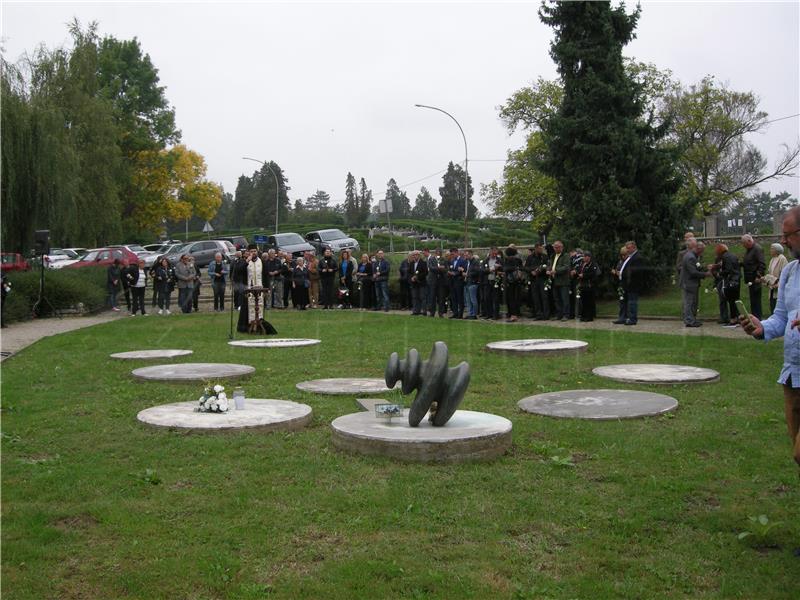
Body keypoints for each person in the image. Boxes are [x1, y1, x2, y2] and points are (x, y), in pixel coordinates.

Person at [739, 206, 800, 468]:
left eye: (788, 234)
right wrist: (761, 327)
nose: (783, 241)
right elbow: (781, 318)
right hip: (793, 376)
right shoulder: (791, 272)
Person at [679, 238, 709, 327]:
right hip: (689, 283)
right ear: (698, 249)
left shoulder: (692, 256)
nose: (702, 253)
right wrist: (706, 274)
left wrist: (706, 268)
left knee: (692, 302)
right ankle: (689, 320)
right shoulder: (690, 257)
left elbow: (697, 268)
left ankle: (692, 319)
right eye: (702, 251)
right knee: (689, 302)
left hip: (691, 283)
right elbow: (693, 272)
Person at [615, 240, 645, 326]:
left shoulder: (637, 257)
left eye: (628, 248)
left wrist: (622, 273)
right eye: (626, 248)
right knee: (627, 302)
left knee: (632, 302)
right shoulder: (630, 257)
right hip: (627, 284)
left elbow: (635, 271)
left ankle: (632, 319)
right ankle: (625, 317)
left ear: (634, 247)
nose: (627, 250)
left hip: (633, 284)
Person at [711, 243, 740, 327]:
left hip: (730, 281)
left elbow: (728, 270)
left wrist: (719, 273)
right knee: (735, 300)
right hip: (736, 280)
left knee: (731, 300)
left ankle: (733, 319)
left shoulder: (725, 257)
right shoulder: (732, 255)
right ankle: (737, 318)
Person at [741, 234, 766, 319]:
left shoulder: (757, 249)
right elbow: (748, 262)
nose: (743, 245)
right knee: (753, 300)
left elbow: (762, 264)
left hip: (755, 279)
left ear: (749, 241)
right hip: (750, 279)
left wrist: (758, 276)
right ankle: (755, 318)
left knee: (756, 300)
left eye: (744, 243)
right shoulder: (749, 250)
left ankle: (758, 319)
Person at [547, 240, 571, 321]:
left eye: (557, 247)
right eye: (554, 247)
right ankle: (559, 314)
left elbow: (566, 267)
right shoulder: (553, 256)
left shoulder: (565, 255)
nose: (556, 249)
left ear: (562, 247)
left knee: (564, 298)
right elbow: (550, 265)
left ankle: (566, 315)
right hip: (554, 280)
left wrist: (556, 271)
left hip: (563, 281)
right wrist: (548, 270)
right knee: (556, 299)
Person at [576, 251, 600, 321]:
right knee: (583, 301)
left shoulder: (593, 264)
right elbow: (580, 271)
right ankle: (583, 315)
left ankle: (589, 316)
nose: (584, 258)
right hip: (583, 285)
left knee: (589, 301)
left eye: (585, 256)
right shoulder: (583, 264)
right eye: (583, 256)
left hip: (589, 285)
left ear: (588, 257)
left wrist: (584, 275)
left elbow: (593, 274)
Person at [503, 244, 524, 322]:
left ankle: (513, 315)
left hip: (510, 281)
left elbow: (506, 269)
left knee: (511, 298)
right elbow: (522, 268)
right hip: (517, 280)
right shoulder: (518, 260)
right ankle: (515, 314)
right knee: (516, 298)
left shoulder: (508, 260)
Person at [766, 242, 789, 314]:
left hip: (778, 286)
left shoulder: (782, 259)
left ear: (777, 250)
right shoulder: (772, 259)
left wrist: (778, 283)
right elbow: (770, 272)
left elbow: (785, 273)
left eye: (772, 249)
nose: (770, 250)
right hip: (772, 286)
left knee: (777, 305)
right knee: (772, 304)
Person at [482, 247, 502, 320]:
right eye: (493, 253)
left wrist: (499, 269)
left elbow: (503, 269)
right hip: (487, 282)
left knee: (495, 299)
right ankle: (488, 314)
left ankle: (495, 315)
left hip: (496, 281)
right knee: (487, 298)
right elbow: (482, 270)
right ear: (490, 252)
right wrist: (490, 269)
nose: (494, 254)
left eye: (495, 253)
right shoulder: (486, 260)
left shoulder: (499, 260)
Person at [408, 250, 428, 315]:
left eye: (415, 255)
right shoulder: (411, 263)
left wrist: (417, 277)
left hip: (421, 283)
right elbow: (409, 273)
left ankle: (424, 311)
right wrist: (412, 277)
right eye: (413, 255)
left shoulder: (423, 263)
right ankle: (416, 311)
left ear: (419, 255)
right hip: (414, 283)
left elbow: (425, 272)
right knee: (415, 297)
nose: (414, 256)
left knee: (422, 297)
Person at [448, 248, 466, 319]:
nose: (452, 255)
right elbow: (451, 268)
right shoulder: (452, 261)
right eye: (451, 254)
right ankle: (455, 313)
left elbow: (463, 270)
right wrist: (449, 272)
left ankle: (460, 314)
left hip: (459, 282)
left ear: (457, 253)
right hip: (452, 282)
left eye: (453, 254)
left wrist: (455, 274)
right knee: (453, 298)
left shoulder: (462, 260)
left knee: (459, 298)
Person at [463, 249, 479, 319]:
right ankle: (470, 313)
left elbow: (476, 272)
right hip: (467, 283)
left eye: (467, 255)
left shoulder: (475, 262)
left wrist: (467, 274)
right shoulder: (467, 262)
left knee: (473, 300)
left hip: (472, 283)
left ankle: (474, 314)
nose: (465, 256)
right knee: (468, 300)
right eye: (465, 255)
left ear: (471, 254)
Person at [423, 248, 438, 317]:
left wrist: (430, 268)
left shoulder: (432, 258)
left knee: (432, 297)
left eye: (424, 253)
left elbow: (436, 268)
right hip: (427, 280)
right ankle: (429, 310)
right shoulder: (426, 260)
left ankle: (432, 312)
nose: (423, 254)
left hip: (433, 281)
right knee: (428, 296)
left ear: (427, 252)